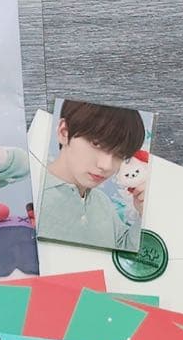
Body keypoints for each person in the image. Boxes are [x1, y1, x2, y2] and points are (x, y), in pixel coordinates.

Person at [37, 100, 146, 251]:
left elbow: (123, 249)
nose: (106, 165)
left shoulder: (102, 202)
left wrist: (143, 213)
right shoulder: (34, 193)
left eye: (120, 154)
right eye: (96, 144)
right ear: (64, 132)